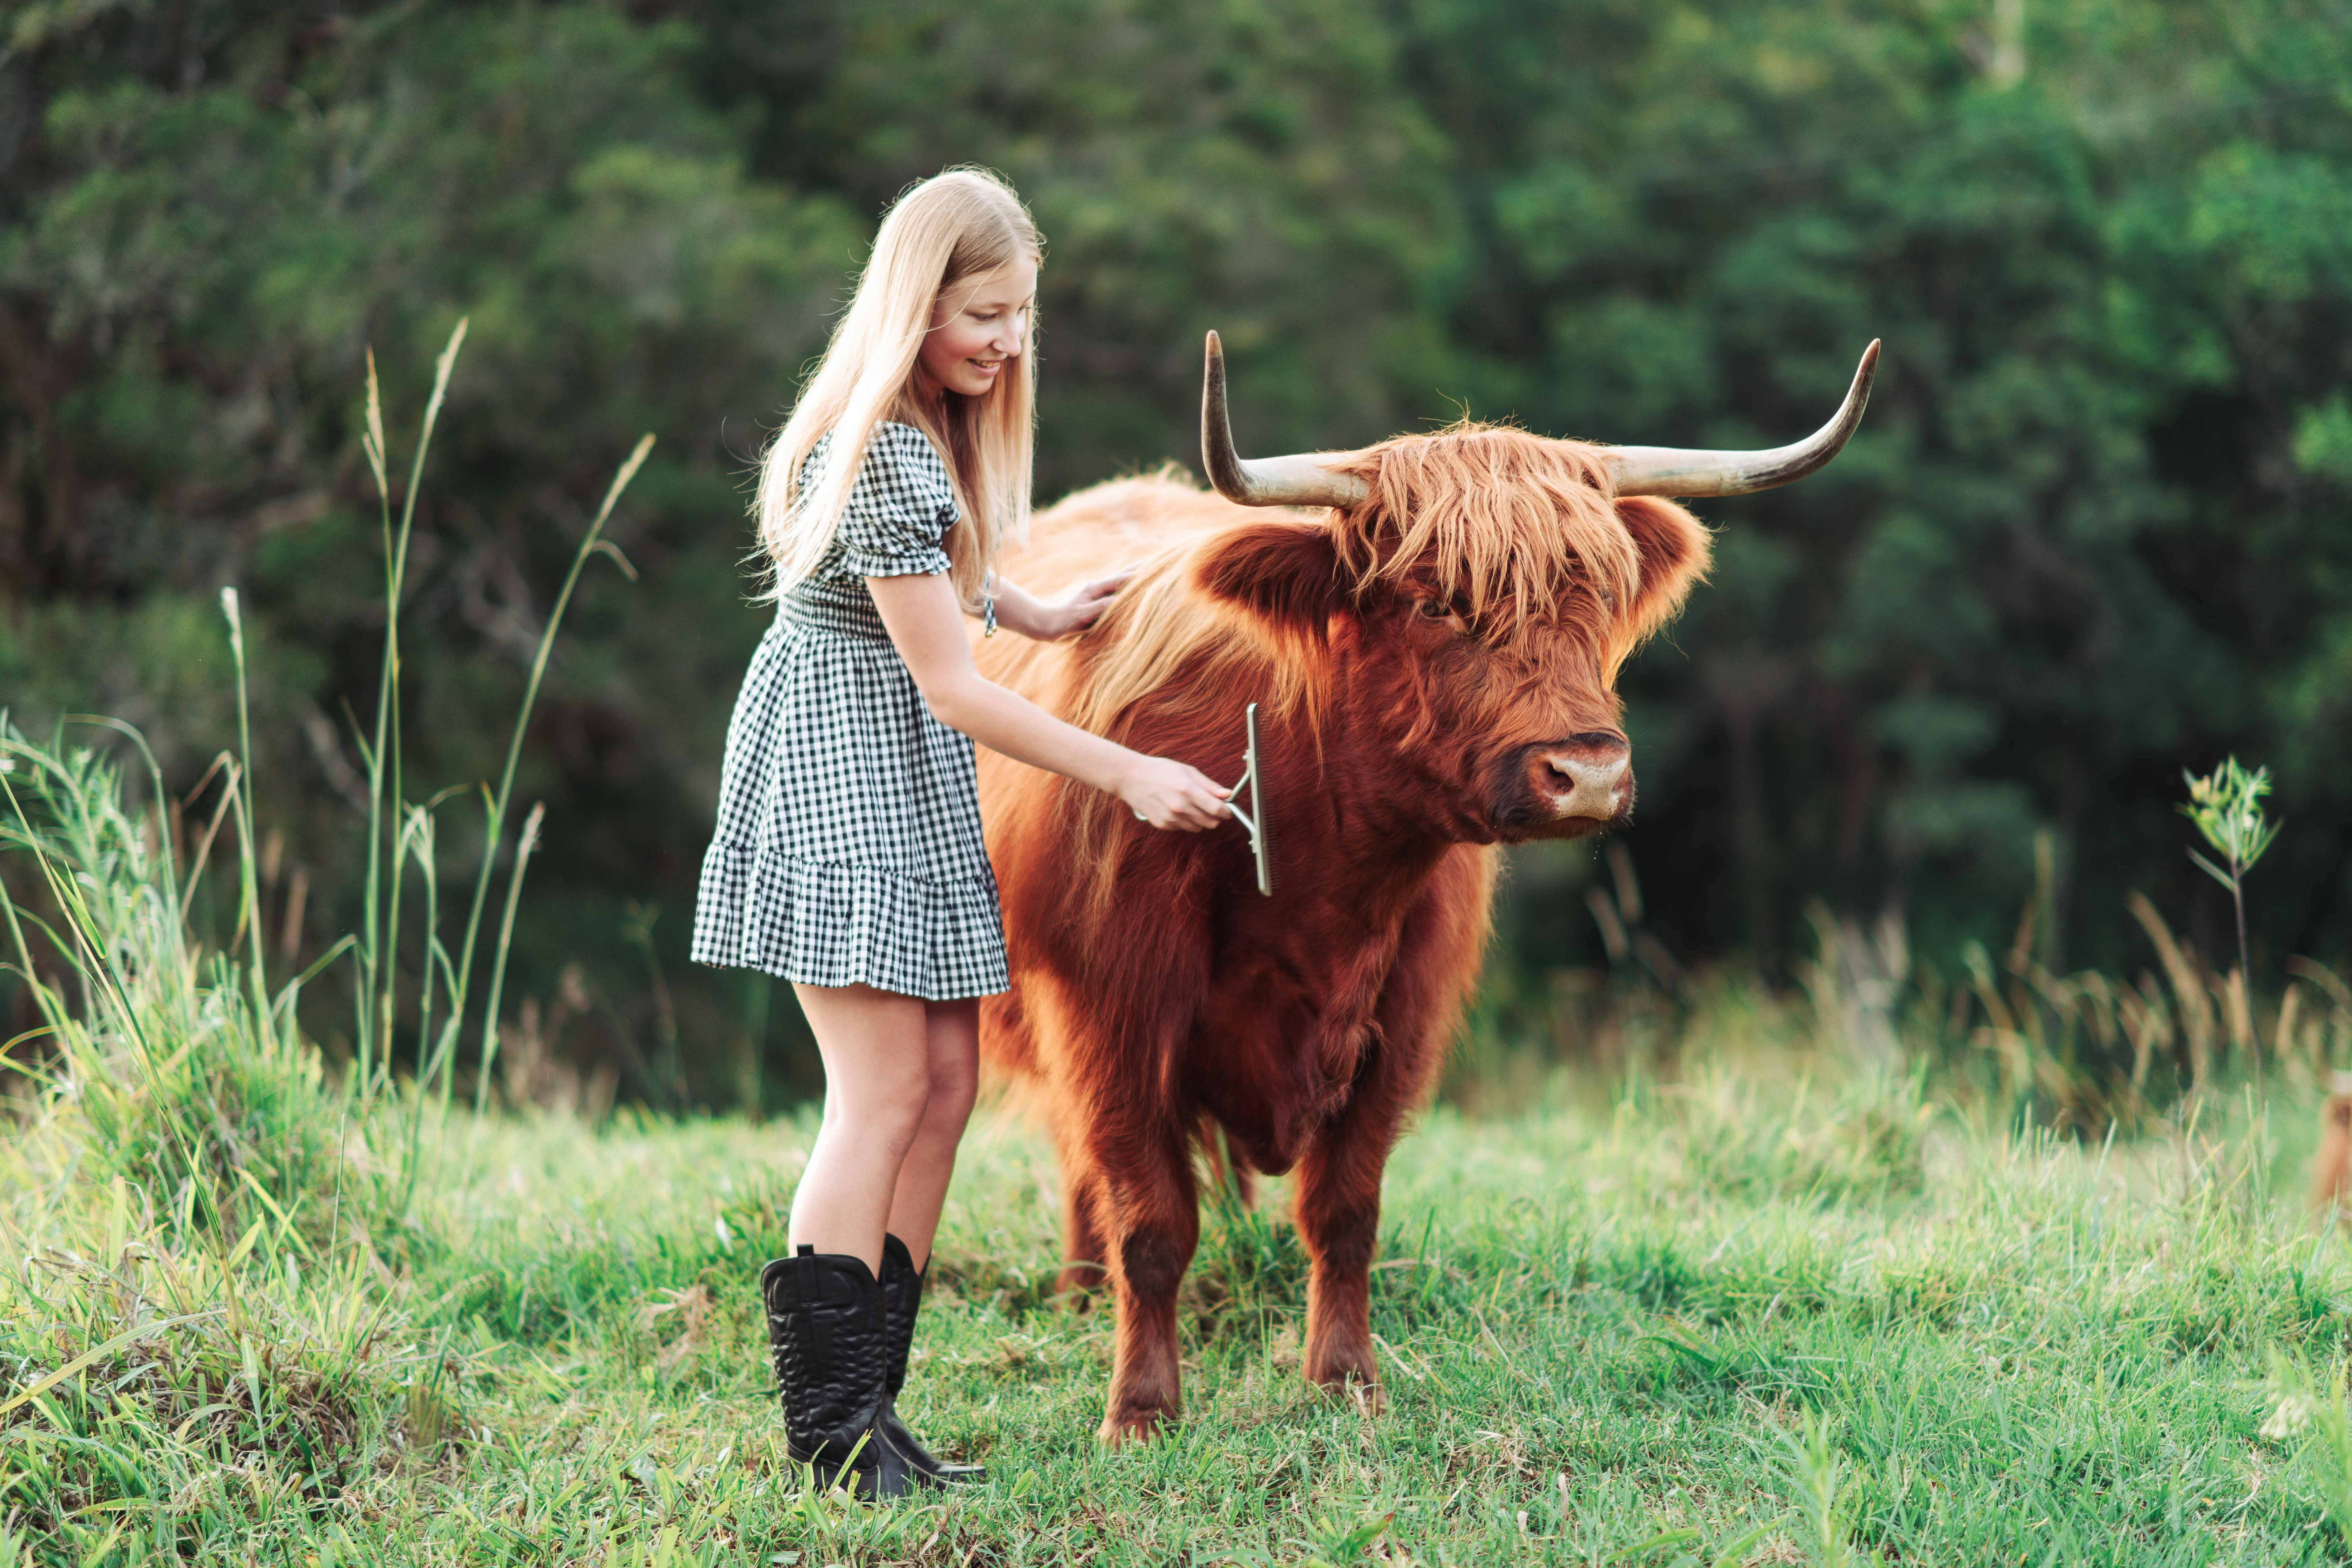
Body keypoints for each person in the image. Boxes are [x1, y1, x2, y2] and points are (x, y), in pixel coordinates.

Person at [690, 167, 1231, 1499]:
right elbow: (948, 681)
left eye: (1022, 315)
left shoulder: (932, 436)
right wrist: (1127, 773)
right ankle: (826, 1437)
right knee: (878, 1095)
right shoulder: (875, 444)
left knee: (943, 1087)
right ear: (914, 302)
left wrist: (1042, 611)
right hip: (841, 768)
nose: (1006, 340)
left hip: (901, 766)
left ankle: (874, 1414)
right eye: (982, 312)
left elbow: (942, 592)